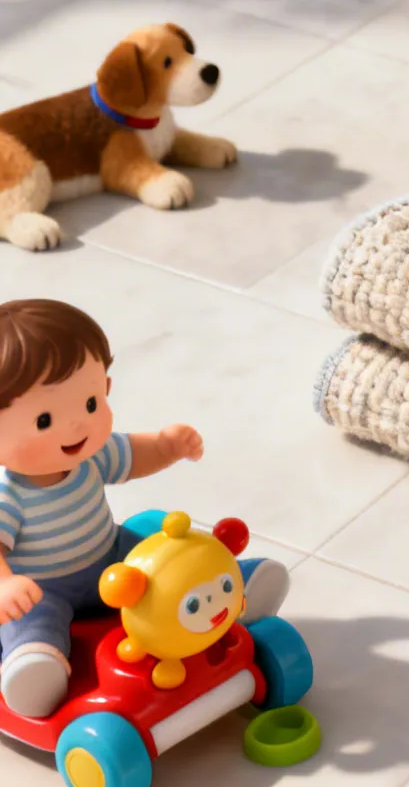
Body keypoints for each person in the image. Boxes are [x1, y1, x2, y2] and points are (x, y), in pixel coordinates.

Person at [0, 299, 289, 717]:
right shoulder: (8, 494)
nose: (77, 425)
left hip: (113, 556)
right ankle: (35, 665)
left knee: (173, 555)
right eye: (44, 421)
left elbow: (135, 454)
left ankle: (236, 585)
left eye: (90, 404)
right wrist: (6, 585)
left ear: (106, 389)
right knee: (30, 620)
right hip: (44, 587)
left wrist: (167, 446)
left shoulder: (90, 456)